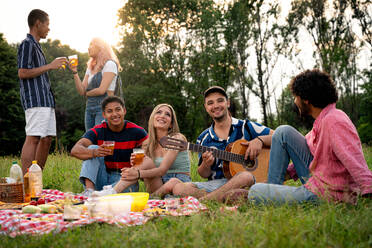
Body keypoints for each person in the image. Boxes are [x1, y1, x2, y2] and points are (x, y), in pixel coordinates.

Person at [246, 69, 372, 205]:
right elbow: (309, 154)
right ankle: (271, 190)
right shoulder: (322, 120)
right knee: (283, 132)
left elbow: (353, 157)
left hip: (328, 194)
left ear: (305, 100)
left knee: (255, 191)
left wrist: (368, 188)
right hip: (317, 180)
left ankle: (268, 196)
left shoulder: (335, 121)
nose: (295, 101)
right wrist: (286, 174)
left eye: (295, 96)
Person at [172, 86, 274, 202]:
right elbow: (203, 174)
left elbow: (279, 136)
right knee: (179, 188)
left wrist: (259, 140)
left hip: (249, 180)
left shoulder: (246, 127)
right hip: (216, 184)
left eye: (220, 100)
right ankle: (225, 197)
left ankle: (204, 201)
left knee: (245, 176)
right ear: (206, 108)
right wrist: (206, 164)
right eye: (210, 103)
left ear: (228, 103)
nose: (215, 106)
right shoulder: (204, 138)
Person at [102, 103, 191, 198]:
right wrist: (136, 165)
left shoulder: (177, 138)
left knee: (173, 182)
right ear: (152, 119)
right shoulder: (147, 144)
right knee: (144, 160)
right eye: (159, 112)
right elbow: (144, 177)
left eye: (167, 114)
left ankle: (151, 198)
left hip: (178, 184)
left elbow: (162, 170)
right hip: (158, 185)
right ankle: (111, 193)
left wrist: (138, 173)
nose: (162, 116)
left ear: (171, 124)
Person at [18, 9, 68, 174]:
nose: (48, 29)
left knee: (46, 140)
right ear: (38, 24)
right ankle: (26, 182)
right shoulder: (27, 44)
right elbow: (22, 72)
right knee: (33, 138)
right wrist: (50, 66)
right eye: (47, 24)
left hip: (46, 101)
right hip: (35, 100)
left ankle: (36, 180)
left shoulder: (37, 46)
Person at [70, 96, 148, 196]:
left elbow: (146, 156)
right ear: (104, 115)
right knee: (92, 148)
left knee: (129, 183)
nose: (114, 114)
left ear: (124, 111)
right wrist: (95, 152)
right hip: (102, 177)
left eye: (118, 109)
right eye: (109, 111)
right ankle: (89, 192)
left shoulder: (138, 132)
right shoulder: (98, 130)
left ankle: (101, 196)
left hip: (123, 180)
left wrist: (136, 163)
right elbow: (74, 150)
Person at [70, 37, 122, 131]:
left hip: (104, 108)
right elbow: (81, 90)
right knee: (90, 139)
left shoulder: (109, 64)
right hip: (89, 108)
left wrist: (87, 93)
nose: (88, 48)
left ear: (100, 47)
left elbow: (102, 90)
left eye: (91, 45)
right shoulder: (90, 67)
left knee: (101, 140)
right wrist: (75, 72)